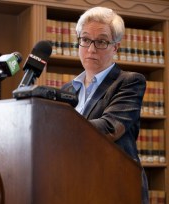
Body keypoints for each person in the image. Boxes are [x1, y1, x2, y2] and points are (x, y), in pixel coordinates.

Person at [61, 7, 149, 203]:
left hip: (116, 187)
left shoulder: (129, 82)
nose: (91, 49)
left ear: (115, 47)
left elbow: (110, 127)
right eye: (85, 40)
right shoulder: (67, 90)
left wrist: (57, 127)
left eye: (101, 41)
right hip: (74, 185)